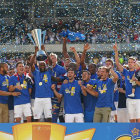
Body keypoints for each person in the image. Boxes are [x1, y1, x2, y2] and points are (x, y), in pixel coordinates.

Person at [113, 42, 140, 122]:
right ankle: (133, 133)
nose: (130, 64)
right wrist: (116, 52)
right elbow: (117, 63)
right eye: (129, 62)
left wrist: (135, 80)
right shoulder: (126, 72)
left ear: (135, 63)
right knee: (131, 119)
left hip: (138, 98)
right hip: (129, 99)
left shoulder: (138, 72)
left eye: (132, 62)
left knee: (138, 119)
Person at [30, 46, 53, 122]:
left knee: (48, 117)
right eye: (41, 65)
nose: (42, 66)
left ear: (46, 66)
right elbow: (31, 63)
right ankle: (37, 131)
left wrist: (45, 51)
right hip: (38, 98)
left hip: (47, 98)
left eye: (44, 65)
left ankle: (49, 132)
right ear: (38, 67)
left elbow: (50, 62)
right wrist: (35, 53)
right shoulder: (36, 73)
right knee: (36, 117)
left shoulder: (48, 72)